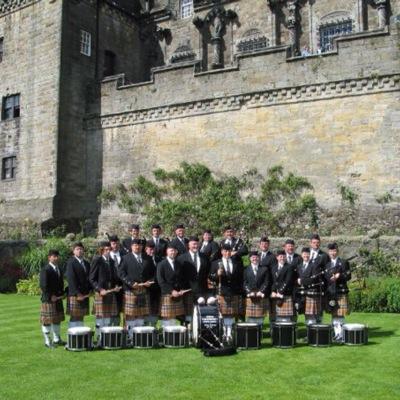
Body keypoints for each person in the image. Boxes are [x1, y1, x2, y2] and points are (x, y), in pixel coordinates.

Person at [118, 239, 155, 340]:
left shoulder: (148, 258)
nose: (137, 247)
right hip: (131, 290)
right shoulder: (125, 258)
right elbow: (121, 273)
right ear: (131, 247)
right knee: (130, 314)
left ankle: (139, 336)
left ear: (142, 247)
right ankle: (130, 336)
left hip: (143, 289)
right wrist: (131, 283)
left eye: (139, 245)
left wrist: (150, 282)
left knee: (141, 314)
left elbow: (153, 273)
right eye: (135, 245)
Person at [210, 244, 244, 342]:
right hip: (222, 292)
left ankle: (230, 333)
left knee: (231, 314)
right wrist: (217, 274)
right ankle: (224, 333)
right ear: (222, 252)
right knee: (223, 314)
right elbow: (210, 276)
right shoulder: (216, 263)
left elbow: (240, 277)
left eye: (229, 251)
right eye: (225, 251)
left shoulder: (236, 262)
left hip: (234, 292)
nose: (227, 253)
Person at [89, 241, 122, 343]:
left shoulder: (111, 261)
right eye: (106, 250)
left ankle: (105, 338)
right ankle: (99, 338)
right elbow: (91, 278)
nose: (108, 251)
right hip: (101, 293)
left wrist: (116, 286)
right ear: (101, 250)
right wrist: (99, 289)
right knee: (100, 317)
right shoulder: (97, 260)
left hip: (110, 292)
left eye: (109, 249)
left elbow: (114, 277)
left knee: (108, 316)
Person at [178, 236, 211, 323]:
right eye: (193, 244)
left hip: (202, 289)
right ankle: (187, 332)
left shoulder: (204, 257)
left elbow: (207, 272)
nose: (195, 246)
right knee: (187, 314)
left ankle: (198, 333)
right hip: (187, 290)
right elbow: (179, 275)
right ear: (188, 245)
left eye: (197, 244)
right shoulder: (181, 258)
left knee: (201, 313)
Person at [324, 243, 351, 342]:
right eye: (331, 251)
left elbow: (348, 276)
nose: (333, 253)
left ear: (337, 251)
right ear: (328, 252)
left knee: (340, 314)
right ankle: (336, 334)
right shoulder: (327, 264)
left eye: (334, 251)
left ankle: (341, 334)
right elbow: (325, 278)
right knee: (334, 314)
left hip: (340, 291)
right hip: (331, 292)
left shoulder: (344, 262)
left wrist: (339, 276)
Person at [39, 249, 66, 348]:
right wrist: (51, 296)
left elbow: (61, 283)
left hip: (58, 298)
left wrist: (62, 293)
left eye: (57, 256)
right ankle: (47, 341)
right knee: (46, 321)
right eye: (54, 256)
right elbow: (43, 285)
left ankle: (57, 339)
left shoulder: (59, 269)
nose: (56, 258)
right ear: (49, 258)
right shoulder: (45, 269)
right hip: (48, 299)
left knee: (57, 319)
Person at [157, 244, 185, 327]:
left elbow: (181, 278)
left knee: (173, 316)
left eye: (174, 250)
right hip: (167, 293)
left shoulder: (178, 264)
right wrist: (171, 291)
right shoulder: (161, 264)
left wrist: (181, 290)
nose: (173, 252)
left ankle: (172, 336)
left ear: (176, 252)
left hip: (177, 294)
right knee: (167, 316)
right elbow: (160, 281)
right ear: (167, 252)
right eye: (171, 250)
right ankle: (166, 336)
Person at [296, 247, 323, 328]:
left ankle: (313, 333)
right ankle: (309, 333)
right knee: (306, 314)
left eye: (307, 254)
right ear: (301, 255)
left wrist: (301, 281)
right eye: (304, 254)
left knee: (311, 314)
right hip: (302, 294)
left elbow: (314, 279)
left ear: (310, 255)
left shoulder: (314, 266)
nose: (306, 255)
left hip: (311, 293)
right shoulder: (299, 266)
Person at [66, 242, 91, 328]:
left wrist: (90, 290)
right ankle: (73, 337)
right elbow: (70, 279)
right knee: (74, 316)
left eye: (81, 249)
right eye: (77, 249)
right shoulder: (71, 263)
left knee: (81, 315)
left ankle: (80, 336)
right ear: (73, 251)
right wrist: (77, 293)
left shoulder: (87, 263)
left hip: (85, 293)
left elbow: (89, 278)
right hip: (75, 294)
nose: (80, 251)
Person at [243, 251, 270, 326]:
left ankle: (260, 331)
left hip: (260, 295)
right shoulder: (246, 269)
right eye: (253, 257)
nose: (255, 259)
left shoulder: (264, 269)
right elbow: (244, 282)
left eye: (256, 257)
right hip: (250, 295)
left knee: (260, 315)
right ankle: (251, 331)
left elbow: (266, 282)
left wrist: (261, 291)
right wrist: (249, 292)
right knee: (250, 316)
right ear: (250, 259)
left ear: (259, 258)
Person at [270, 250, 295, 322]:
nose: (282, 258)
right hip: (276, 295)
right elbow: (273, 281)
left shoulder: (289, 267)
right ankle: (278, 332)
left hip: (285, 294)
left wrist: (280, 292)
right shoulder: (274, 267)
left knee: (286, 317)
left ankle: (286, 332)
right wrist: (273, 291)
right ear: (277, 257)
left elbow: (288, 281)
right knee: (277, 316)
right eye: (280, 256)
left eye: (284, 256)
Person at [143, 240, 162, 326]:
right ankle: (146, 328)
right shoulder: (143, 259)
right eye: (150, 249)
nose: (152, 251)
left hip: (157, 289)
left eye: (153, 249)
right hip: (146, 288)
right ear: (146, 249)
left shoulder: (159, 259)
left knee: (155, 310)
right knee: (146, 311)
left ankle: (154, 327)